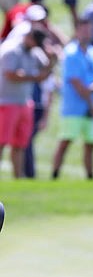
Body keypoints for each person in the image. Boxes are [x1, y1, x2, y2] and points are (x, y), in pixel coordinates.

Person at [51, 17, 93, 180]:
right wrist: (92, 105)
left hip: (92, 107)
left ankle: (90, 176)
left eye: (89, 29)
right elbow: (76, 83)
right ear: (77, 31)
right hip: (74, 107)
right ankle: (55, 175)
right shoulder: (70, 53)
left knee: (90, 144)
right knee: (65, 141)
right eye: (83, 29)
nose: (87, 33)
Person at [0, 26, 55, 178]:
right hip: (6, 102)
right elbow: (11, 74)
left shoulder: (35, 52)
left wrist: (52, 59)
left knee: (20, 144)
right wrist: (33, 77)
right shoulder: (11, 50)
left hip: (25, 102)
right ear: (29, 38)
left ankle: (18, 177)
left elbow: (44, 72)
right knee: (1, 142)